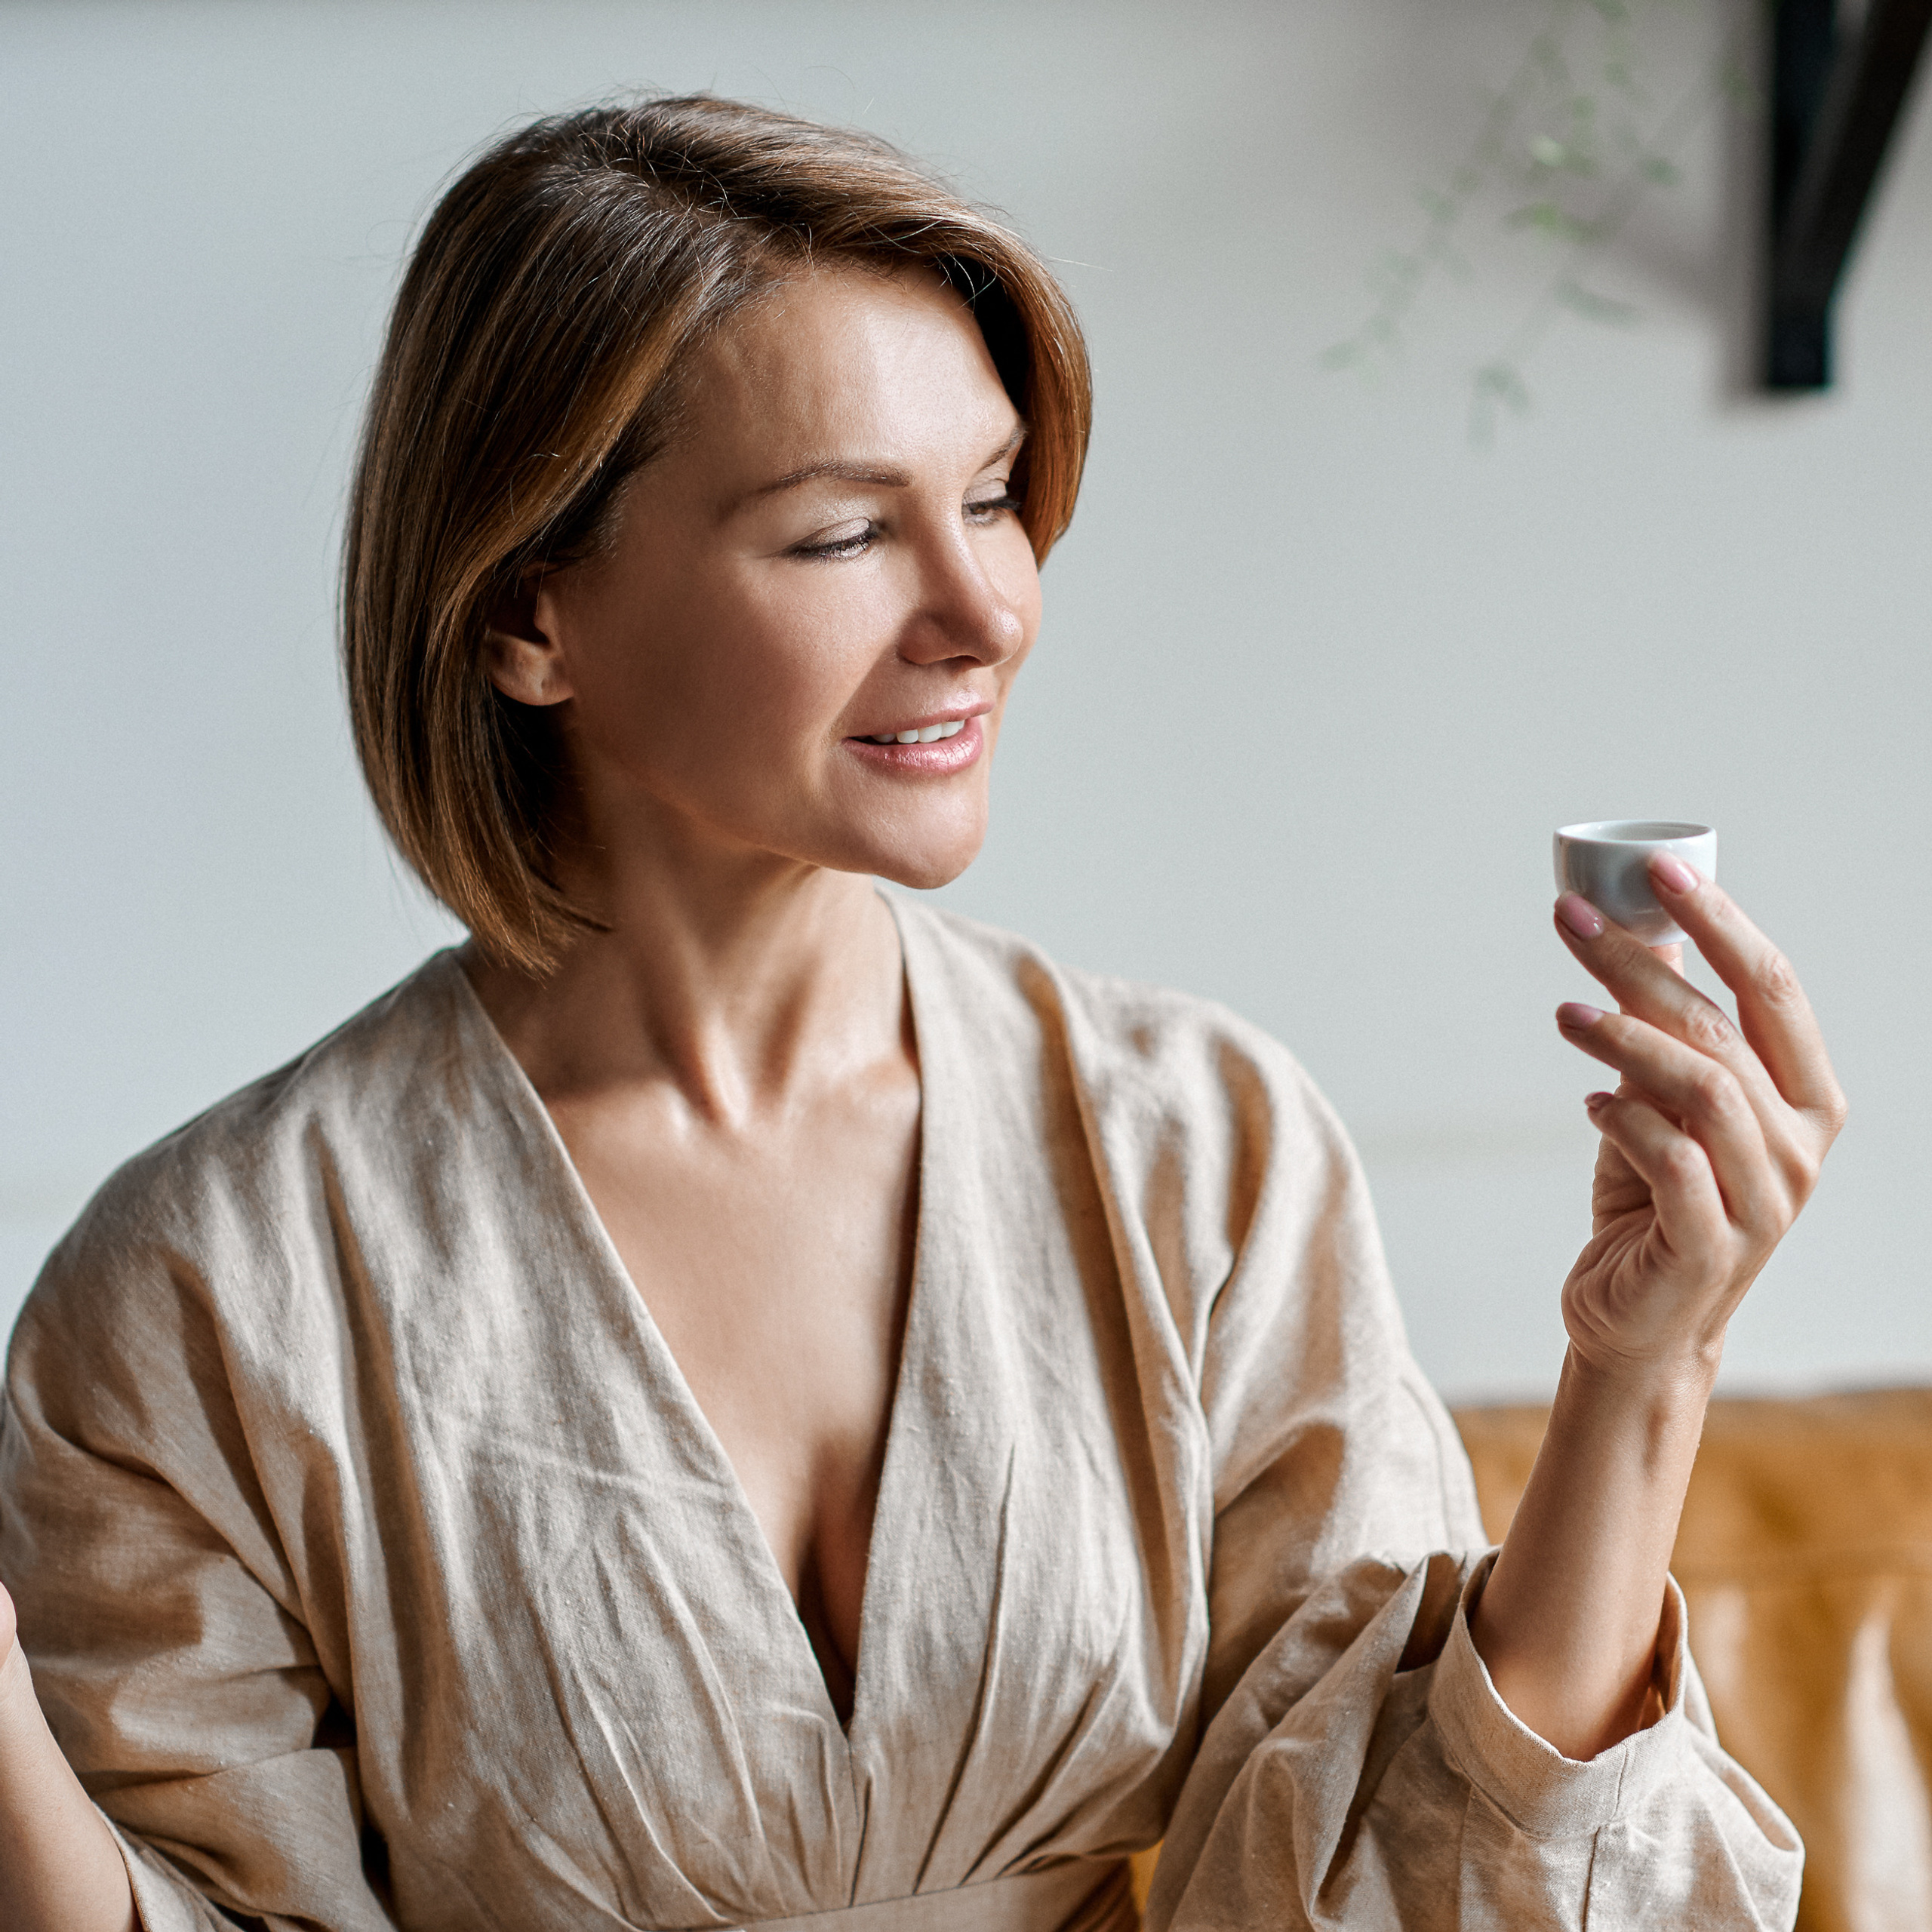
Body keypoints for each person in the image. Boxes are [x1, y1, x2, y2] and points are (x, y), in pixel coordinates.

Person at [0, 95, 1841, 1932]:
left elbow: (1412, 1873)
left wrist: (1639, 1368)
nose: (985, 611)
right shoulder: (210, 1287)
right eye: (835, 537)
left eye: (986, 497)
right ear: (525, 612)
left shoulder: (1196, 1144)